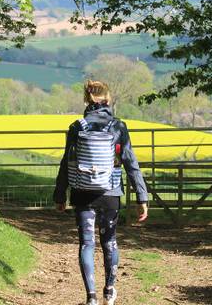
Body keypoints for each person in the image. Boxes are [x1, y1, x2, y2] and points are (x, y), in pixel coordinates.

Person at [54, 79, 149, 305]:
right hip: (110, 193)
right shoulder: (118, 126)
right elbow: (131, 163)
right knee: (110, 241)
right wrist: (141, 197)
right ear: (108, 99)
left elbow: (66, 162)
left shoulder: (76, 127)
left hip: (81, 193)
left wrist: (60, 194)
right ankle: (109, 291)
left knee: (87, 243)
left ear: (87, 100)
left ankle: (91, 297)